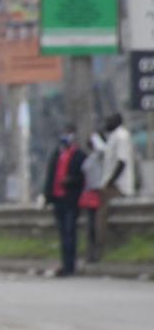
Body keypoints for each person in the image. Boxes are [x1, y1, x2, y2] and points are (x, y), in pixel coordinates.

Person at [43, 124, 86, 277]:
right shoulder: (57, 154)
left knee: (70, 232)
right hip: (57, 199)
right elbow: (50, 176)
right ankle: (64, 263)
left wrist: (71, 181)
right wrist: (47, 196)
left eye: (68, 134)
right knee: (62, 233)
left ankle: (70, 265)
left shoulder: (79, 155)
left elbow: (83, 177)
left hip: (71, 199)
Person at [96, 112, 136, 259]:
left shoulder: (122, 136)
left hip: (117, 185)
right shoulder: (113, 137)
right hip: (110, 183)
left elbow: (121, 161)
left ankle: (104, 248)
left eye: (109, 120)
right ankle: (106, 246)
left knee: (103, 215)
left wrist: (110, 182)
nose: (106, 123)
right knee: (103, 216)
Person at [79, 133, 106, 264]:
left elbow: (102, 149)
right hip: (89, 193)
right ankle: (90, 253)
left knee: (96, 225)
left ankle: (97, 253)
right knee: (90, 226)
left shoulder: (99, 156)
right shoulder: (89, 157)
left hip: (98, 191)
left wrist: (96, 137)